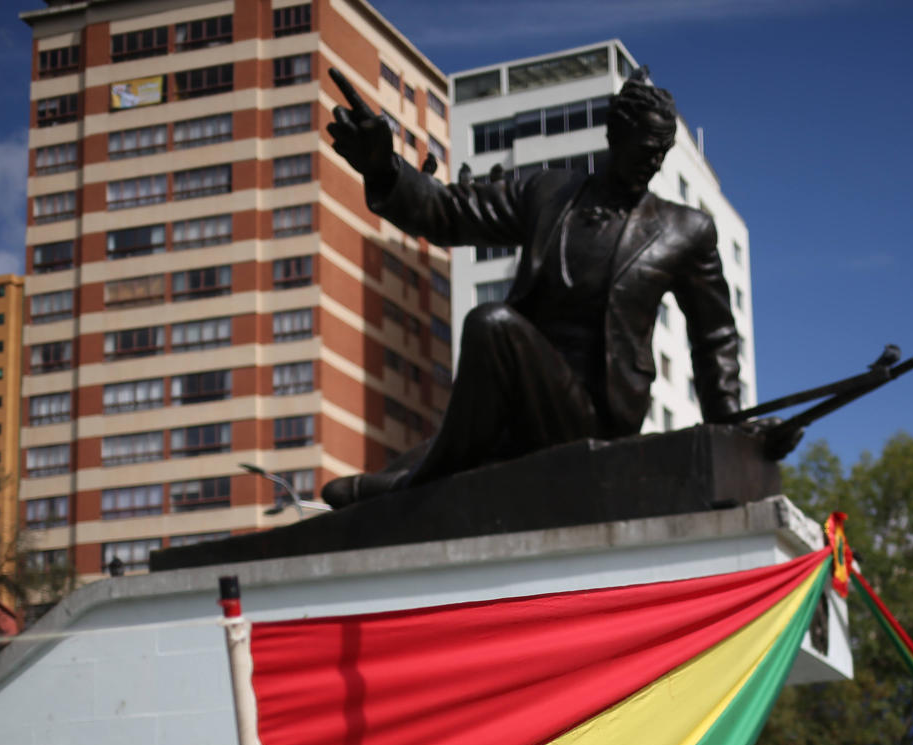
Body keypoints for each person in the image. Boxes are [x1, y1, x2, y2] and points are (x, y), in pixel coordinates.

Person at [323, 67, 782, 507]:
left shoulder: (686, 229)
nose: (653, 162)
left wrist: (732, 429)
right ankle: (409, 479)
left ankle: (417, 490)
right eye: (645, 148)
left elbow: (715, 337)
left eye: (661, 152)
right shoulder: (548, 194)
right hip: (521, 406)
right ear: (614, 135)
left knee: (492, 324)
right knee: (350, 492)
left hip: (597, 417)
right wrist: (385, 170)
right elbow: (449, 212)